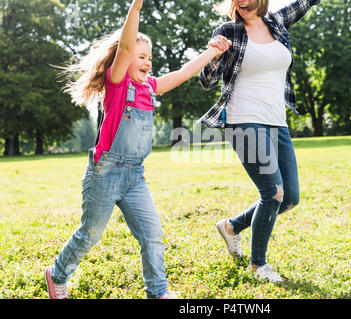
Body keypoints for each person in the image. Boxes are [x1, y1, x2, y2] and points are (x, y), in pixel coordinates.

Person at [44, 0, 231, 299]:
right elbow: (126, 49)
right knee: (90, 235)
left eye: (150, 58)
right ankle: (57, 274)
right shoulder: (117, 84)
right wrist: (136, 8)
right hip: (104, 174)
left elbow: (183, 72)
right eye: (141, 56)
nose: (147, 62)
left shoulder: (150, 87)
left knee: (152, 234)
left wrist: (213, 52)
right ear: (126, 59)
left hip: (134, 177)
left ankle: (158, 293)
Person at [199, 0, 321, 283]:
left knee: (289, 197)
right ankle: (259, 265)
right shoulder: (229, 31)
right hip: (244, 119)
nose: (243, 2)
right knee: (273, 193)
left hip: (277, 121)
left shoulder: (277, 23)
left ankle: (231, 226)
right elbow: (206, 81)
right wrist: (215, 55)